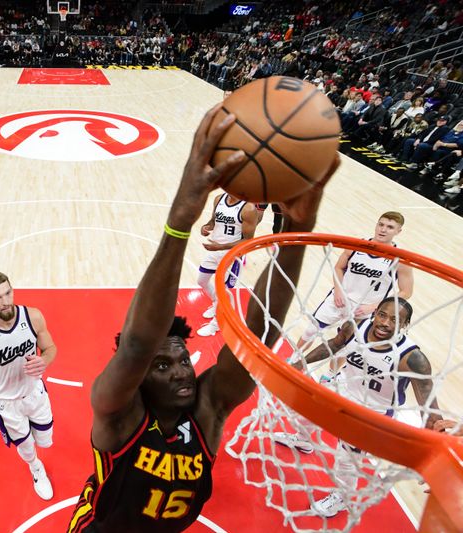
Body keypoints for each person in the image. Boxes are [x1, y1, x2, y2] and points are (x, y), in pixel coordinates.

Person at [67, 105, 340, 532]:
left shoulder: (207, 409)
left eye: (182, 360)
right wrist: (179, 223)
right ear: (138, 378)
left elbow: (257, 338)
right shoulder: (118, 415)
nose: (182, 371)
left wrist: (294, 234)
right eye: (162, 366)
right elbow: (138, 344)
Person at [280, 298, 441, 518]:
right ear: (375, 313)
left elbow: (430, 407)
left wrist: (434, 453)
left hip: (372, 411)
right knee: (307, 408)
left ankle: (343, 498)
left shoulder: (412, 358)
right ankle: (303, 439)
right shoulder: (356, 326)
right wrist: (300, 363)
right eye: (383, 315)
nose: (385, 323)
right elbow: (335, 345)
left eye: (395, 320)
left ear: (405, 325)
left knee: (346, 461)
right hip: (341, 387)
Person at [0, 271, 57, 500]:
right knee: (26, 446)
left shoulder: (33, 317)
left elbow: (51, 348)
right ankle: (36, 468)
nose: (5, 302)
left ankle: (35, 452)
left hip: (35, 393)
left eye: (8, 293)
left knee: (45, 440)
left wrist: (44, 360)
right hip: (7, 403)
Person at [296, 211, 414, 354]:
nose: (383, 229)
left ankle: (330, 375)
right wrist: (338, 291)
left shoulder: (400, 259)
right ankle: (293, 359)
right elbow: (339, 268)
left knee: (346, 344)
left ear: (398, 231)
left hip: (366, 309)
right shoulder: (357, 245)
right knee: (311, 330)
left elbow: (406, 292)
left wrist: (373, 307)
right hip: (340, 298)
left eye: (389, 227)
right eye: (381, 224)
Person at [196, 192, 258, 337]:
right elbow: (213, 221)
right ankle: (215, 303)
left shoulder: (248, 209)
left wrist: (221, 247)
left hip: (232, 255)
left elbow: (248, 241)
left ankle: (216, 325)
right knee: (202, 280)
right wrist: (206, 227)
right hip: (215, 250)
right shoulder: (219, 199)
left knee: (223, 291)